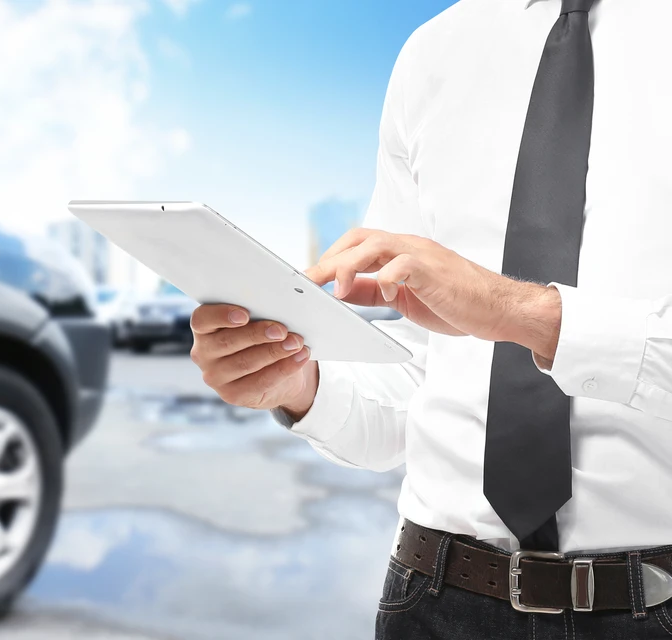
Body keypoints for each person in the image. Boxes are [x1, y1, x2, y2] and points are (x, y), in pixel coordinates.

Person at [189, 0, 672, 638]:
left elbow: (486, 305)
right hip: (433, 598)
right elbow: (419, 373)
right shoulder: (436, 51)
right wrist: (298, 386)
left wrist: (519, 313)